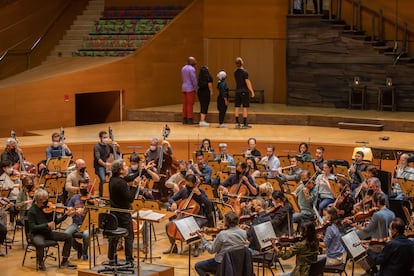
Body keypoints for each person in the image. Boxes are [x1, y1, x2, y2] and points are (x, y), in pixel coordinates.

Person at [27, 189, 77, 270]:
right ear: (37, 200)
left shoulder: (48, 209)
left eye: (46, 199)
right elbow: (32, 227)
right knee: (40, 244)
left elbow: (55, 222)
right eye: (43, 200)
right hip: (36, 234)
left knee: (68, 237)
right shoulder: (32, 211)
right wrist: (46, 224)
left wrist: (66, 215)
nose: (45, 201)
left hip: (48, 233)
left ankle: (64, 261)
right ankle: (40, 262)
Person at [164, 174, 213, 256]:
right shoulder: (184, 191)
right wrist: (173, 203)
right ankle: (173, 247)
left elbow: (209, 205)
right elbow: (171, 198)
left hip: (198, 216)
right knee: (168, 225)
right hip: (183, 215)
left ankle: (196, 246)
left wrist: (199, 195)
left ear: (194, 184)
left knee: (194, 225)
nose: (187, 186)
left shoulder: (201, 192)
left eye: (189, 184)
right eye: (186, 183)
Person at [194, 211, 247, 275]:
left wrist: (202, 238)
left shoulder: (222, 234)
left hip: (222, 264)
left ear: (226, 222)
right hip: (238, 263)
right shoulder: (244, 232)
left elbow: (211, 250)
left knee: (198, 266)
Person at [108, 159, 138, 267]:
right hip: (124, 213)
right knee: (129, 236)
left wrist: (142, 171)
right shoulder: (121, 183)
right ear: (120, 170)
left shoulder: (113, 179)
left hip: (114, 213)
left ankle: (111, 258)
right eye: (125, 167)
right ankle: (129, 260)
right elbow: (130, 198)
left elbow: (128, 178)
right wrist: (134, 186)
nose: (127, 168)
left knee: (114, 237)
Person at [65, 181, 93, 260]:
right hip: (76, 223)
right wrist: (75, 211)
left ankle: (85, 252)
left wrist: (90, 206)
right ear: (79, 187)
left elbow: (96, 211)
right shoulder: (74, 198)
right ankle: (78, 248)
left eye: (85, 187)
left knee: (86, 235)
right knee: (66, 234)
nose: (84, 189)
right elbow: (68, 212)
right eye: (82, 187)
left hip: (87, 224)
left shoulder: (90, 198)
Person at [93, 130, 120, 197]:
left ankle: (110, 195)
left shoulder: (108, 146)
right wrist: (105, 165)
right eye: (104, 137)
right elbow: (98, 159)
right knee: (103, 180)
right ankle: (101, 196)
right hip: (100, 166)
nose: (106, 139)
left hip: (107, 165)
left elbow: (116, 153)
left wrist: (117, 147)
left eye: (107, 137)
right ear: (100, 138)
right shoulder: (96, 147)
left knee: (113, 179)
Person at [234, 57, 255, 129]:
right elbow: (247, 82)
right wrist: (252, 91)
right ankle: (244, 124)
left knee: (237, 107)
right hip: (244, 91)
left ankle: (237, 123)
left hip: (237, 91)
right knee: (245, 107)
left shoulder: (235, 72)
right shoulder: (245, 72)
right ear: (242, 63)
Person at [181, 56, 198, 125]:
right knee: (190, 104)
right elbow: (193, 80)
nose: (195, 62)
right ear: (191, 62)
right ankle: (190, 119)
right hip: (190, 88)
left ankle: (184, 119)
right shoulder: (192, 69)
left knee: (185, 103)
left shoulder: (183, 68)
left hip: (184, 87)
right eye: (194, 61)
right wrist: (196, 88)